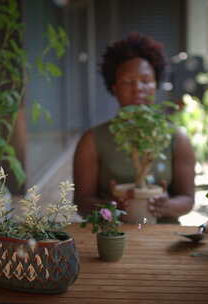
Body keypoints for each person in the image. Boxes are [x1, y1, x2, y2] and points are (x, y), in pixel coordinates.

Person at [73, 33, 195, 222]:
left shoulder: (177, 138)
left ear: (156, 84)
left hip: (163, 237)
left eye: (146, 81)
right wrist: (109, 207)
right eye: (127, 82)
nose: (138, 88)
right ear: (114, 88)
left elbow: (187, 200)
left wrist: (166, 206)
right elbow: (81, 201)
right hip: (110, 235)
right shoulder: (92, 140)